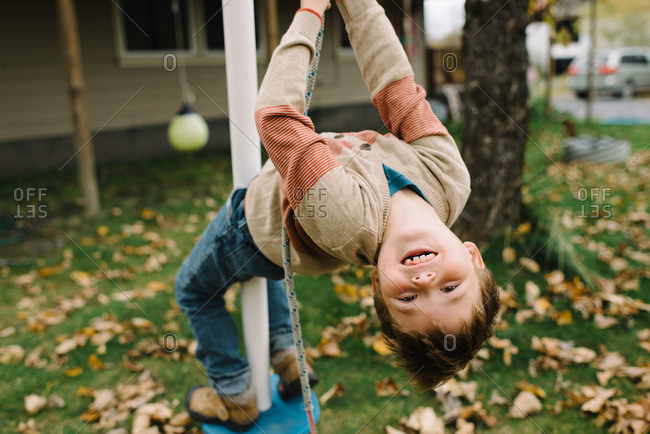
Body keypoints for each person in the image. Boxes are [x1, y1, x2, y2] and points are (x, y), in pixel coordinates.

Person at [176, 0, 500, 430]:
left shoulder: (347, 219)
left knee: (195, 290)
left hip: (249, 228)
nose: (425, 283)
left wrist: (311, 10)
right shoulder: (450, 179)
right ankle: (288, 360)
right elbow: (397, 89)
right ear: (473, 256)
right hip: (280, 246)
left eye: (408, 299)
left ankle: (234, 391)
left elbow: (277, 118)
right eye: (451, 287)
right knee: (266, 277)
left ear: (378, 284)